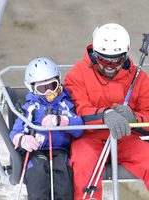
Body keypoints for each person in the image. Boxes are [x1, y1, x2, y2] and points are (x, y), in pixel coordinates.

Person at [64, 23, 149, 200]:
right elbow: (77, 110)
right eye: (104, 60)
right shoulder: (77, 75)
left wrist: (134, 118)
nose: (110, 66)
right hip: (89, 137)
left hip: (126, 137)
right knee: (83, 163)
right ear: (95, 55)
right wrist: (104, 115)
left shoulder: (139, 78)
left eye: (116, 60)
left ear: (125, 56)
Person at [10, 57, 84, 200]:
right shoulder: (30, 108)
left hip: (59, 150)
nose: (49, 92)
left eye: (53, 85)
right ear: (32, 88)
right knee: (38, 173)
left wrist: (60, 120)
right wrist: (22, 139)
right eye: (42, 88)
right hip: (36, 151)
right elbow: (15, 132)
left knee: (62, 176)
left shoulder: (64, 105)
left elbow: (79, 127)